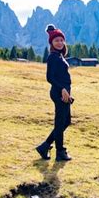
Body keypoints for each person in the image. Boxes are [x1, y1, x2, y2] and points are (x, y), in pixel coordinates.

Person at [35, 24, 74, 161]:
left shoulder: (59, 56)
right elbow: (49, 77)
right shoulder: (53, 57)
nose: (59, 42)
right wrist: (62, 89)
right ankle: (60, 152)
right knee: (60, 122)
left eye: (61, 40)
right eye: (56, 40)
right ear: (51, 42)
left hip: (64, 93)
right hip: (59, 93)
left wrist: (67, 91)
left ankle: (45, 146)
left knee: (65, 121)